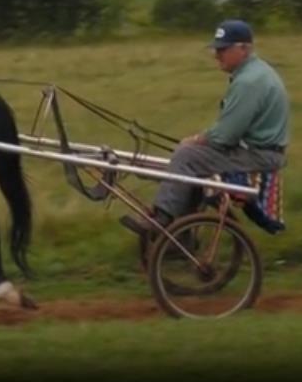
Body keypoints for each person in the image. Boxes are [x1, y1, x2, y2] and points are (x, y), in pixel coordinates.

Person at [121, 18, 291, 239]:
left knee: (186, 156)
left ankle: (161, 221)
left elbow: (226, 135)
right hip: (259, 150)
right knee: (191, 162)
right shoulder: (256, 73)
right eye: (216, 49)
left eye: (222, 49)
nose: (216, 55)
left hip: (260, 156)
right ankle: (181, 236)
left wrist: (195, 140)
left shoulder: (248, 82)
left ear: (243, 48)